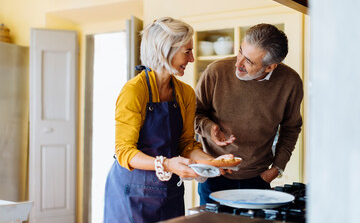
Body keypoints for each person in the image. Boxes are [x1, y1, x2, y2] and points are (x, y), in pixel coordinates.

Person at [103, 17, 232, 223]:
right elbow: (124, 153)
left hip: (169, 193)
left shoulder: (185, 93)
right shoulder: (134, 91)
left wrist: (212, 162)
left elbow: (186, 144)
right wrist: (166, 164)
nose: (191, 59)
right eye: (187, 51)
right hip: (132, 194)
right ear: (165, 50)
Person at [195, 23, 303, 205]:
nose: (238, 63)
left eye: (249, 61)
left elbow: (291, 128)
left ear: (270, 67)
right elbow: (193, 114)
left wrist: (276, 169)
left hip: (258, 180)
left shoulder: (290, 82)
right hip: (214, 174)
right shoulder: (216, 71)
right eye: (240, 52)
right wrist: (209, 128)